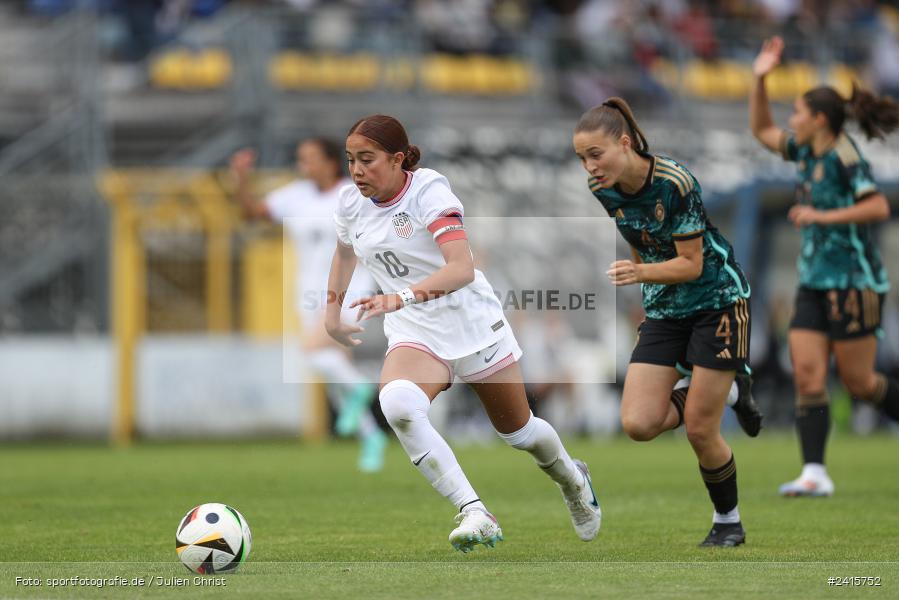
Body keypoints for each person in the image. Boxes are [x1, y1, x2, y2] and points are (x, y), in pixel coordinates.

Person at [326, 114, 601, 552]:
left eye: (367, 159)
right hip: (416, 331)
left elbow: (461, 268)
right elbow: (344, 253)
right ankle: (474, 510)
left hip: (471, 322)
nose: (357, 170)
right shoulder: (350, 203)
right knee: (397, 402)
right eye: (350, 160)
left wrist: (400, 298)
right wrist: (331, 312)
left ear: (398, 159)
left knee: (520, 433)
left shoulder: (428, 190)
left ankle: (572, 477)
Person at [573, 97, 762, 547]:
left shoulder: (675, 182)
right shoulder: (604, 189)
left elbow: (692, 264)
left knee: (699, 427)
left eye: (595, 155)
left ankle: (728, 523)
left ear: (624, 143)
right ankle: (729, 389)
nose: (589, 167)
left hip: (717, 300)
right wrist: (646, 291)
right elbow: (637, 239)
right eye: (581, 158)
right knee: (638, 424)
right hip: (665, 308)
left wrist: (639, 273)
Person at [750, 36, 899, 497]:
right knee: (809, 375)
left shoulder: (845, 155)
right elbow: (763, 131)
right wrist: (759, 79)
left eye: (796, 111)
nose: (790, 120)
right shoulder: (806, 150)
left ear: (818, 120)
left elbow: (876, 208)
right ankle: (814, 472)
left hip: (855, 282)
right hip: (813, 281)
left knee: (859, 382)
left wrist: (821, 216)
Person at [229, 138, 387, 473]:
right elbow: (253, 213)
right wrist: (241, 180)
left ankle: (362, 389)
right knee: (331, 368)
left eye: (311, 159)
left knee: (312, 352)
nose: (305, 166)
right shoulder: (295, 195)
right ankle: (371, 438)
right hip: (309, 293)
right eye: (301, 159)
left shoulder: (354, 195)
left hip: (349, 290)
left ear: (332, 162)